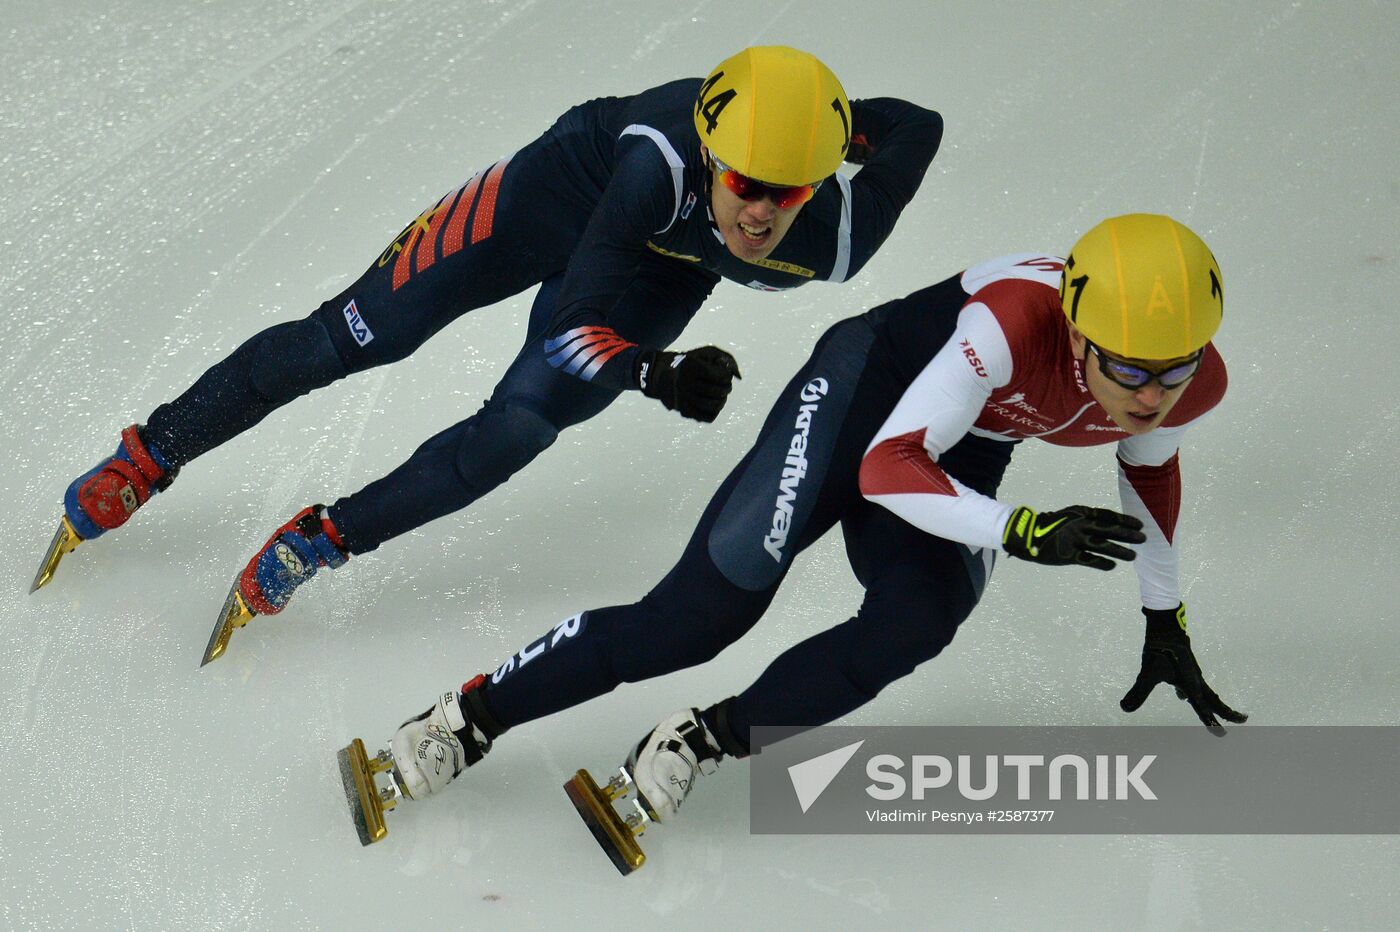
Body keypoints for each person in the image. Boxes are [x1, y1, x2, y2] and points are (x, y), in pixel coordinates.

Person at [357, 214, 1247, 869]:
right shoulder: (1010, 323)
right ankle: (465, 719)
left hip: (960, 439)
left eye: (1173, 369)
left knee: (919, 619)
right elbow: (889, 469)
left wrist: (1164, 616)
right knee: (699, 616)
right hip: (868, 390)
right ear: (1081, 330)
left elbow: (1149, 472)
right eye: (1127, 367)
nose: (1150, 393)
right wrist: (1017, 528)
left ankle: (703, 740)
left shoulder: (1185, 381)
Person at [33, 47, 943, 666]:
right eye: (746, 182)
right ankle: (151, 455)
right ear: (710, 151)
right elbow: (571, 329)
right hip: (561, 193)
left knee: (519, 427)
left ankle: (323, 539)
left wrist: (823, 120)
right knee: (353, 333)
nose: (761, 215)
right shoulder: (654, 165)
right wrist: (650, 373)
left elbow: (919, 124)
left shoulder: (836, 237)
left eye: (789, 191)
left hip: (656, 272)